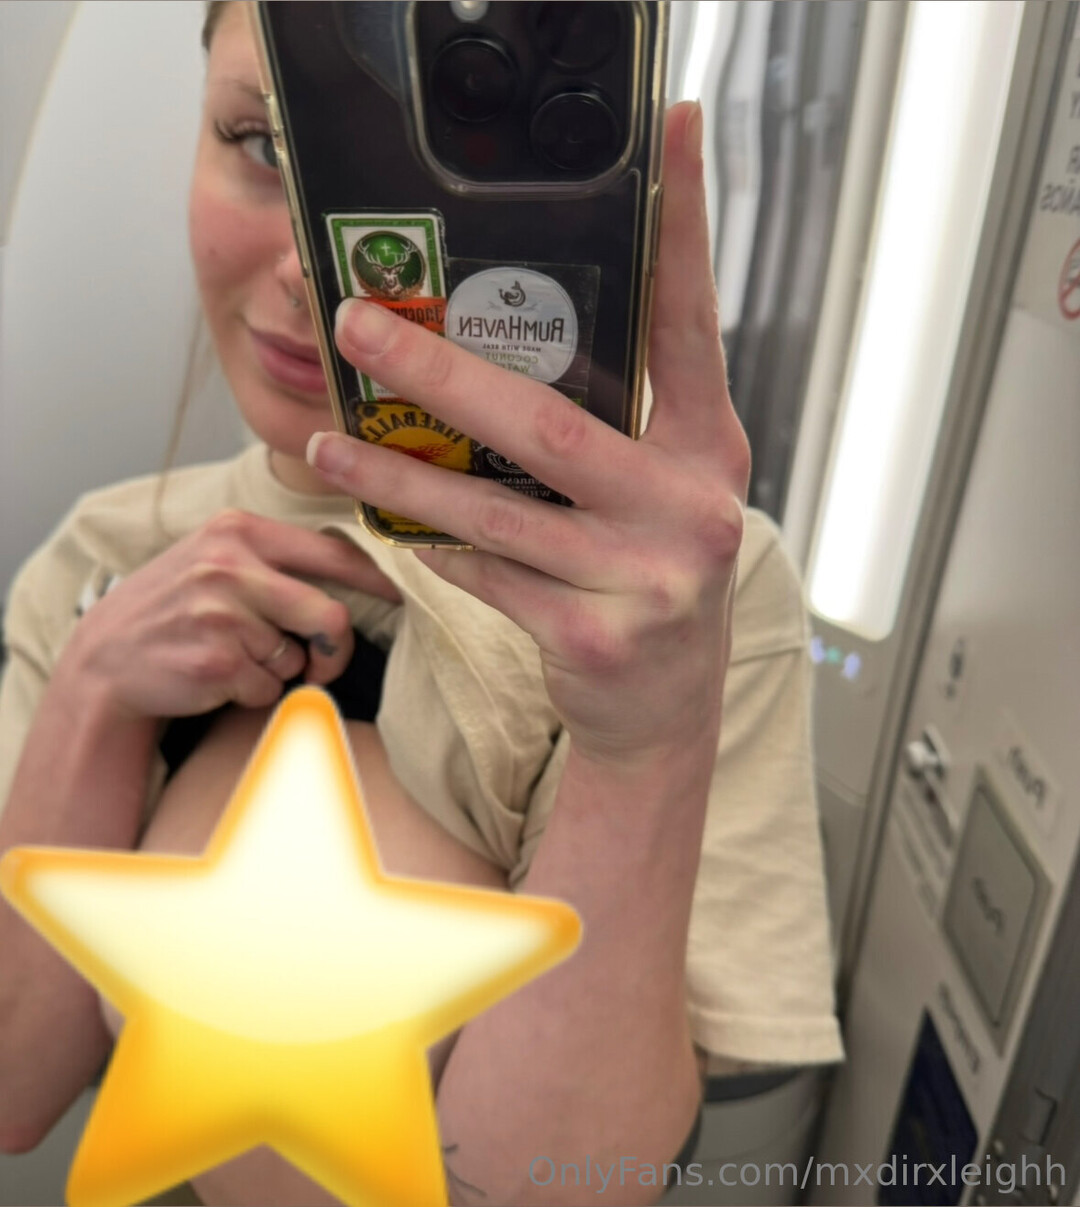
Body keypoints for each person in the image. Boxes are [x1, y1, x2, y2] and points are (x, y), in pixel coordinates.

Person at [0, 3, 842, 1204]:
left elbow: (557, 1187)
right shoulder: (97, 561)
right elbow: (15, 1089)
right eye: (261, 144)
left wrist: (644, 746)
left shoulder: (678, 606)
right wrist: (94, 690)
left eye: (385, 178)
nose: (309, 265)